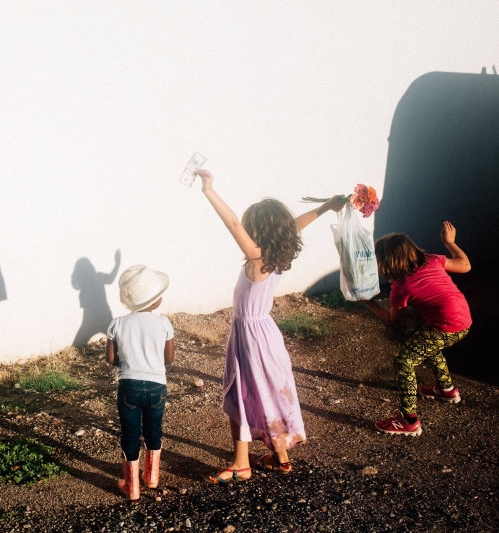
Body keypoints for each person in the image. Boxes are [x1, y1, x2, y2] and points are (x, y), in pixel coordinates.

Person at [197, 168, 345, 483]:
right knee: (266, 394)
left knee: (240, 395)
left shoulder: (256, 259)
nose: (245, 232)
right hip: (265, 335)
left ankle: (241, 463)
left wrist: (209, 190)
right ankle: (281, 458)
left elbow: (232, 222)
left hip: (250, 338)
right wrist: (325, 207)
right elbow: (295, 225)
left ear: (257, 231)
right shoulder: (276, 254)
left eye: (251, 229)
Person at [365, 221, 471, 436]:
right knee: (425, 343)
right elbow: (465, 265)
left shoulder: (401, 288)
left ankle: (408, 420)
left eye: (377, 258)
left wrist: (369, 303)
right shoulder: (433, 260)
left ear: (389, 261)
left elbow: (393, 320)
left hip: (446, 326)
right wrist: (450, 243)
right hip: (463, 321)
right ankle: (446, 390)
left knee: (404, 360)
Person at [106, 264, 175, 500]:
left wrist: (128, 363)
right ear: (154, 302)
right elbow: (169, 359)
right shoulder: (164, 323)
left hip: (129, 386)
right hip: (157, 386)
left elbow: (110, 358)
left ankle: (132, 487)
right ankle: (152, 477)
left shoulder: (118, 324)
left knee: (130, 433)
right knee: (154, 429)